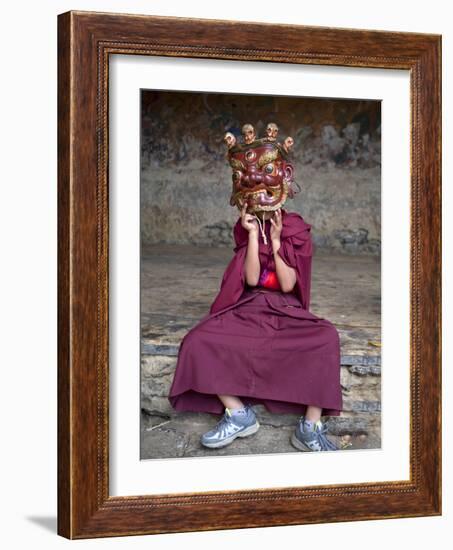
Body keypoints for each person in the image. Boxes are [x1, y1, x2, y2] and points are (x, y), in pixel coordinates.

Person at [167, 123, 343, 452]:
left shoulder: (295, 228)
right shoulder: (243, 227)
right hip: (250, 307)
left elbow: (289, 283)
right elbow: (249, 280)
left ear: (285, 177)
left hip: (285, 311)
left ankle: (309, 426)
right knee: (197, 341)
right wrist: (251, 235)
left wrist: (276, 242)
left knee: (326, 338)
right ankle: (238, 413)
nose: (255, 183)